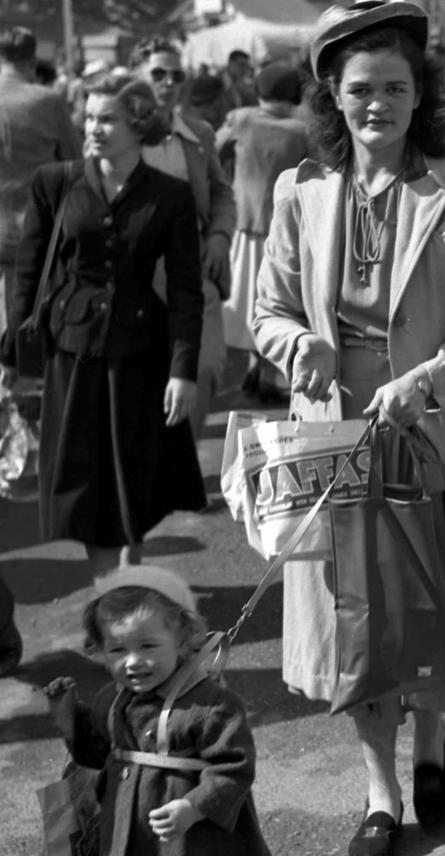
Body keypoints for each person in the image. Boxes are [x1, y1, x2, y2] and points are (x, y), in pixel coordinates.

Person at [252, 0, 445, 856]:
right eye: (361, 88)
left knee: (433, 603)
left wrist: (424, 380)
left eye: (396, 88)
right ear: (331, 90)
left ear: (419, 94)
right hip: (335, 443)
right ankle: (379, 796)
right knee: (353, 619)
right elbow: (267, 311)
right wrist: (302, 346)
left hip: (432, 431)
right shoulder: (301, 192)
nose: (378, 105)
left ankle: (434, 749)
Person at [43, 565, 281, 856]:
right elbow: (100, 757)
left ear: (184, 639)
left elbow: (236, 765)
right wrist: (69, 721)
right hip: (137, 847)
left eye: (148, 646)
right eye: (118, 649)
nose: (132, 661)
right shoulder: (114, 700)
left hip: (201, 845)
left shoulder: (211, 702)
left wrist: (195, 805)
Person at [0, 73, 205, 580]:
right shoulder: (55, 181)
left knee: (135, 476)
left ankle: (130, 578)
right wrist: (15, 352)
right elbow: (28, 271)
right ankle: (109, 587)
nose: (93, 127)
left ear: (139, 124)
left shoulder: (171, 195)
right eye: (88, 116)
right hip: (71, 353)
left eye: (107, 118)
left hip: (142, 355)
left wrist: (184, 370)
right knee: (85, 483)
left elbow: (185, 290)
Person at [129, 37, 236, 440]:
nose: (169, 82)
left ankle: (183, 462)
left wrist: (221, 236)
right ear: (138, 76)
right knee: (147, 374)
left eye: (177, 75)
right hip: (133, 273)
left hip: (191, 267)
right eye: (158, 73)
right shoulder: (117, 131)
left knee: (204, 366)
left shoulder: (198, 133)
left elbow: (221, 190)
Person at [215, 61, 308, 400]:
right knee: (279, 304)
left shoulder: (240, 119)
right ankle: (266, 374)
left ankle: (257, 370)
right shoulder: (302, 131)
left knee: (249, 304)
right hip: (285, 233)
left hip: (244, 225)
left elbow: (214, 151)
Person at [0, 26, 81, 334]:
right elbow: (75, 164)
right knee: (31, 333)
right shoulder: (47, 101)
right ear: (32, 60)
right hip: (38, 234)